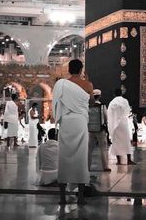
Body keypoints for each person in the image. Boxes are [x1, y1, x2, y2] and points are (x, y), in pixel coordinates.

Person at [52, 59, 94, 205]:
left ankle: (63, 198)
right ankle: (81, 197)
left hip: (66, 122)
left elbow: (56, 103)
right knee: (81, 159)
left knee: (64, 157)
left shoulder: (61, 84)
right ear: (81, 69)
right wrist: (87, 84)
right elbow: (92, 102)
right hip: (80, 122)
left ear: (69, 69)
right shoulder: (87, 85)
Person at [107, 88, 136, 165]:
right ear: (121, 93)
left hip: (115, 125)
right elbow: (128, 111)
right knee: (126, 141)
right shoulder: (125, 101)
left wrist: (112, 123)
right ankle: (129, 160)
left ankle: (119, 161)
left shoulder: (112, 102)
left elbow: (109, 114)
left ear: (114, 94)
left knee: (116, 142)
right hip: (123, 123)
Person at [88, 89, 111, 172]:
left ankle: (87, 166)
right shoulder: (102, 106)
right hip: (100, 130)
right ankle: (105, 166)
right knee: (103, 148)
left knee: (89, 149)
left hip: (90, 130)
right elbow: (106, 117)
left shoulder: (88, 105)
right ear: (100, 96)